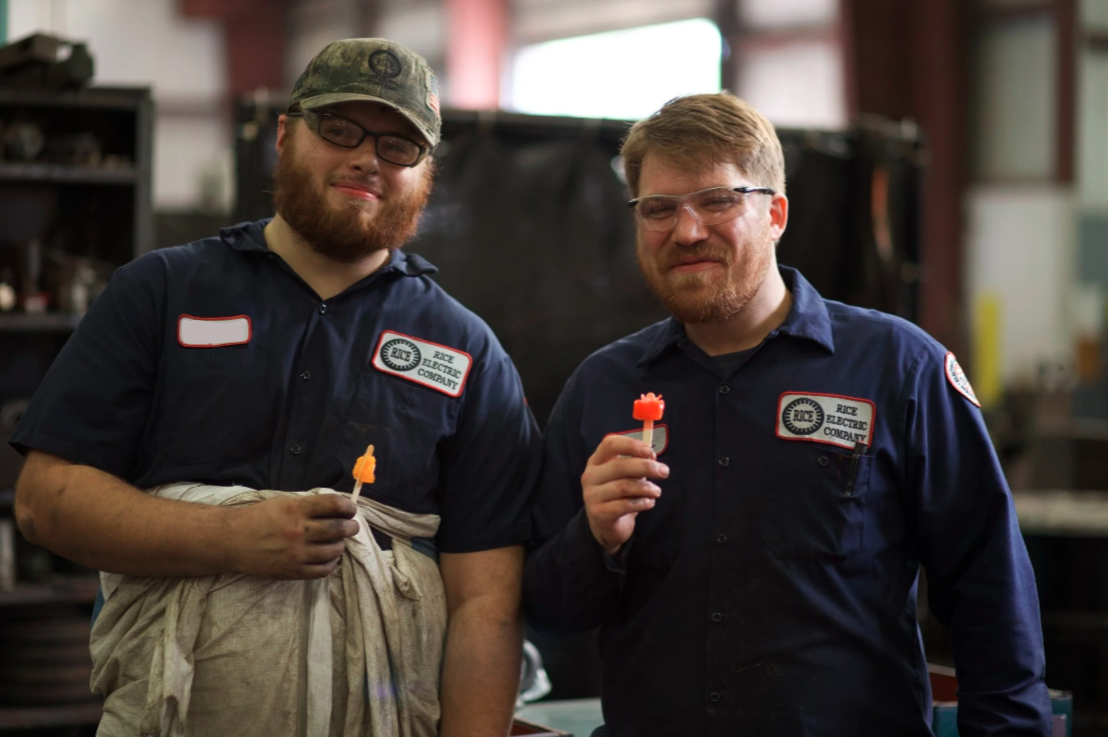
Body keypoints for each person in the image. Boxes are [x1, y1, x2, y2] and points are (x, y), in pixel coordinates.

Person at [12, 38, 540, 736]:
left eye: (398, 146)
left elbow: (486, 607)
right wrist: (229, 537)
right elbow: (46, 502)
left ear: (426, 173)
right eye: (340, 129)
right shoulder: (162, 293)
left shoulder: (467, 353)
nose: (366, 159)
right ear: (287, 135)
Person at [523, 92, 1052, 737]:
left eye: (717, 201)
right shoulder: (601, 389)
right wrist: (594, 537)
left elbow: (991, 596)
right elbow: (547, 614)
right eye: (659, 209)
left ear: (775, 213)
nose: (686, 231)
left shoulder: (899, 370)